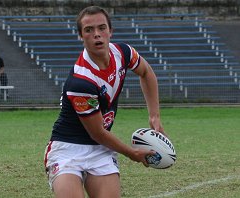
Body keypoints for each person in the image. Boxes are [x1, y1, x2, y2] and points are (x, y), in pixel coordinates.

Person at [43, 6, 166, 198]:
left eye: (102, 28)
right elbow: (98, 133)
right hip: (68, 148)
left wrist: (154, 116)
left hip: (100, 150)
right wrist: (131, 153)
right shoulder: (81, 81)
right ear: (80, 36)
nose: (97, 35)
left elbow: (146, 72)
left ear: (110, 31)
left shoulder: (124, 53)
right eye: (89, 30)